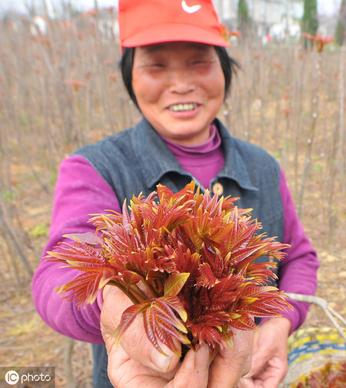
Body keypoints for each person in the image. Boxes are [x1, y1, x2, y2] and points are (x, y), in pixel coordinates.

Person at [31, 1, 319, 387]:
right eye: (157, 65)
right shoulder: (95, 168)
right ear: (129, 76)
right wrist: (116, 304)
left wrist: (281, 321)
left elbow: (298, 255)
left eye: (200, 61)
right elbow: (59, 272)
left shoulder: (262, 166)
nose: (181, 83)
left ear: (225, 69)